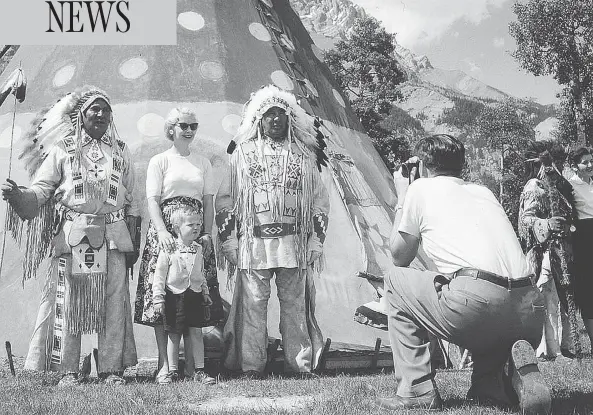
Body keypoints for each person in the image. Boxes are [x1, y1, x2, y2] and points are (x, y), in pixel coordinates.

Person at [376, 134, 551, 414]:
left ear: (423, 166)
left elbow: (399, 257)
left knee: (396, 281)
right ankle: (496, 386)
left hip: (477, 305)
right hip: (530, 308)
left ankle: (416, 390)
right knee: (477, 301)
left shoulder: (420, 189)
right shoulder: (484, 192)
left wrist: (401, 197)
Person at [1, 86, 140, 386]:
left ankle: (112, 369)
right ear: (81, 115)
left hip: (113, 234)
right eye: (95, 109)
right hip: (73, 234)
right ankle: (68, 370)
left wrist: (135, 236)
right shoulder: (63, 149)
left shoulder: (121, 149)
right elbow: (41, 190)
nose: (101, 114)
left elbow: (133, 197)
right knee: (69, 302)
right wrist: (19, 195)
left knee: (114, 302)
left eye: (106, 110)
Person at [216, 85, 329, 377]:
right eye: (269, 114)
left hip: (295, 243)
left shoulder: (304, 155)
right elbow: (226, 200)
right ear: (259, 120)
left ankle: (300, 365)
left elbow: (319, 201)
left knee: (295, 308)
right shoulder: (242, 154)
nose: (276, 119)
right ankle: (252, 367)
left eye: (281, 114)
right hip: (253, 243)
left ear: (290, 118)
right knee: (253, 305)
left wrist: (316, 239)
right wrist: (229, 240)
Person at [134, 107, 220, 383]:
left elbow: (207, 201)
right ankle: (164, 365)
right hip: (167, 233)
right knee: (165, 297)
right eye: (183, 125)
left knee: (194, 294)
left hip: (193, 231)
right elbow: (152, 200)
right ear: (171, 128)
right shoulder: (160, 161)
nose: (189, 130)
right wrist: (161, 231)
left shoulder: (202, 162)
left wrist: (206, 233)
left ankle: (195, 367)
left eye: (193, 126)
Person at [518, 141, 579, 360]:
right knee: (547, 298)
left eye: (562, 162)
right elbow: (526, 220)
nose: (559, 166)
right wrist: (545, 224)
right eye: (557, 162)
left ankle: (564, 346)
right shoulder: (535, 185)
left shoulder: (559, 186)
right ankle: (547, 348)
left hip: (562, 250)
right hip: (543, 252)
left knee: (562, 298)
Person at [152, 205, 217, 385]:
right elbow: (159, 275)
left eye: (198, 224)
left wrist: (204, 292)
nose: (196, 228)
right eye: (190, 225)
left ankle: (199, 370)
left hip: (194, 296)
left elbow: (200, 273)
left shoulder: (198, 249)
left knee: (196, 332)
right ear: (176, 227)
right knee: (174, 334)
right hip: (175, 297)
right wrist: (159, 298)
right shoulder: (169, 249)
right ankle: (172, 370)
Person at [567, 147, 593, 348]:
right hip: (584, 238)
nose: (590, 165)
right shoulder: (570, 186)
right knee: (587, 290)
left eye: (591, 160)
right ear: (575, 166)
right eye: (585, 162)